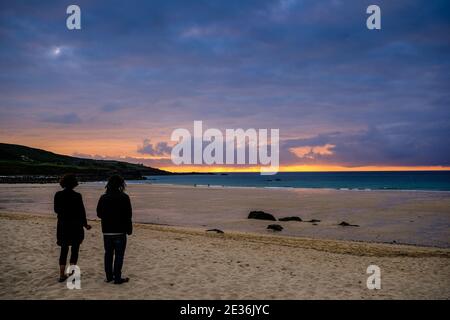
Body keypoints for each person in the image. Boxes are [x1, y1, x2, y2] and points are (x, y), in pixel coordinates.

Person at [54, 174, 91, 282]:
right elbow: (82, 212)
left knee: (64, 250)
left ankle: (61, 275)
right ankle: (72, 274)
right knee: (75, 250)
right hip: (76, 225)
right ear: (74, 183)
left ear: (63, 183)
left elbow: (56, 210)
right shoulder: (77, 195)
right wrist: (85, 225)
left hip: (63, 225)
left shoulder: (58, 195)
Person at [97, 175, 133, 284]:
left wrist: (108, 216)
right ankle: (117, 278)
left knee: (108, 254)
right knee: (119, 255)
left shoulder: (103, 197)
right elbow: (128, 215)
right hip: (120, 231)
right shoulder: (124, 197)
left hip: (107, 230)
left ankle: (109, 277)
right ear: (121, 185)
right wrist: (129, 229)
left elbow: (99, 214)